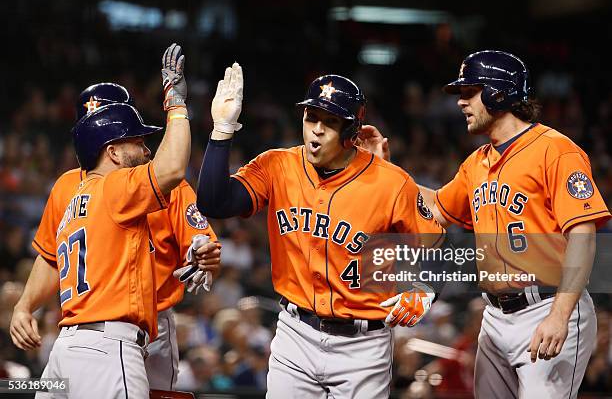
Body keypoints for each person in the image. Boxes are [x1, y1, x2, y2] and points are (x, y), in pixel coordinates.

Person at [196, 70, 445, 397]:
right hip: (295, 335)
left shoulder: (390, 182)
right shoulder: (277, 166)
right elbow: (214, 202)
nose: (316, 130)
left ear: (351, 131)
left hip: (363, 345)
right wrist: (222, 130)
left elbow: (438, 246)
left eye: (329, 122)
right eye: (311, 117)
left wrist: (424, 289)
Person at [413, 50, 610, 398]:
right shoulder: (477, 162)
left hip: (547, 306)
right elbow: (436, 209)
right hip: (494, 316)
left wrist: (559, 315)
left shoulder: (555, 150)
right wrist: (379, 172)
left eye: (469, 91)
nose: (461, 102)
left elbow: (583, 236)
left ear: (498, 92)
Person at [10, 80, 222, 392]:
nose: (145, 148)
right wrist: (177, 104)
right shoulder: (115, 186)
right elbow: (173, 167)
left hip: (79, 337)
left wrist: (203, 253)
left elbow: (202, 242)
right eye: (135, 139)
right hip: (114, 337)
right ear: (110, 148)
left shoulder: (85, 190)